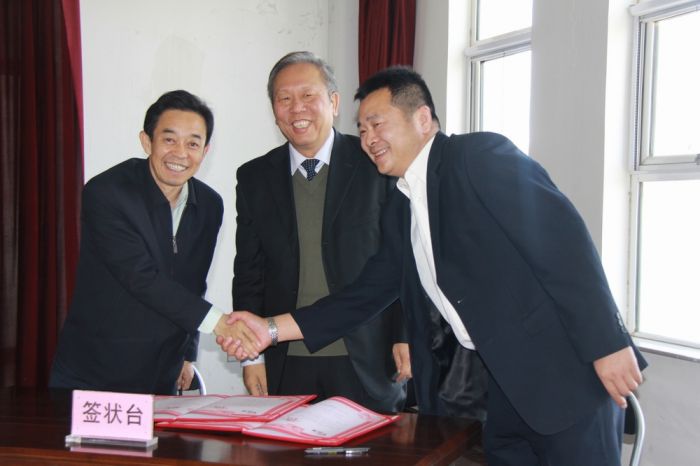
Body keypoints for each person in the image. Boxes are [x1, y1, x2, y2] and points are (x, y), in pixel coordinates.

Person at [221, 67, 648, 466]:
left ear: (423, 119)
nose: (369, 139)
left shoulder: (478, 156)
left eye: (378, 123)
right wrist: (269, 330)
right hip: (500, 392)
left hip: (566, 378)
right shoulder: (402, 204)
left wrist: (606, 344)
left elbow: (563, 243)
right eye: (362, 129)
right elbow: (363, 296)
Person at [232, 51, 409, 413]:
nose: (297, 108)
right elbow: (249, 273)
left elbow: (405, 258)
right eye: (284, 98)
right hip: (286, 359)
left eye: (308, 95)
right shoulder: (254, 178)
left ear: (334, 102)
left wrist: (406, 334)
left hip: (367, 355)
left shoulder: (376, 163)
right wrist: (251, 356)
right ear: (274, 110)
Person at [50, 90, 242, 395]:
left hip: (161, 373)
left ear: (205, 151)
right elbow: (140, 276)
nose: (180, 153)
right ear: (146, 141)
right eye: (169, 139)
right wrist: (219, 323)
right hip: (95, 371)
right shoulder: (107, 193)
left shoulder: (209, 204)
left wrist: (187, 353)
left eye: (193, 143)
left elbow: (194, 283)